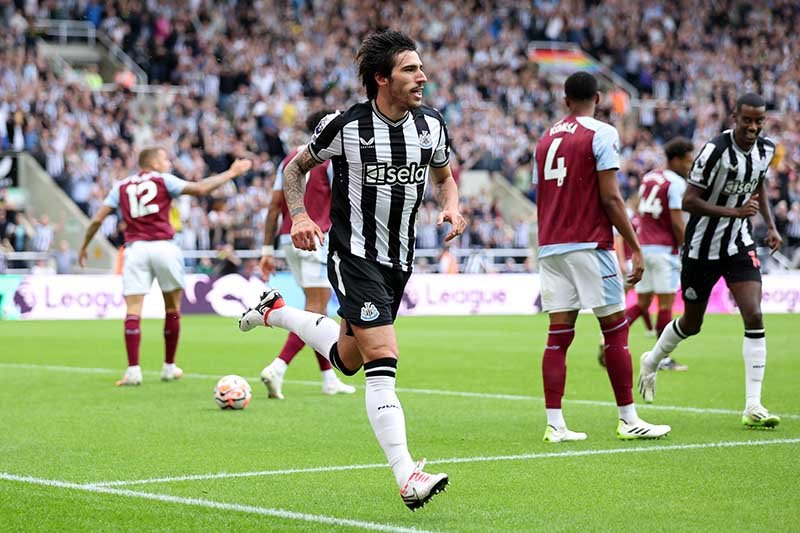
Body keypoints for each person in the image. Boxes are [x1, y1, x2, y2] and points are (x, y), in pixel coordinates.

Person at [239, 30, 466, 510]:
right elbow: (293, 170)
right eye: (410, 69)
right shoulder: (344, 126)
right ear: (381, 78)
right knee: (382, 359)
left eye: (421, 67)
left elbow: (445, 176)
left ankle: (275, 311)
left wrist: (452, 206)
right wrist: (299, 216)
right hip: (353, 256)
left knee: (348, 358)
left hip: (398, 264)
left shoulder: (431, 125)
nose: (422, 76)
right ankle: (407, 476)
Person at [533, 71, 671, 444]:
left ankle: (555, 423)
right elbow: (610, 197)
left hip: (551, 246)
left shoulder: (545, 139)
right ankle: (628, 418)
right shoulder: (602, 133)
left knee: (558, 337)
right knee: (614, 329)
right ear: (598, 97)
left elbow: (542, 195)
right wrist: (634, 245)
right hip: (589, 245)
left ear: (565, 100)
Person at [638, 93, 782, 428]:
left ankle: (753, 405)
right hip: (701, 248)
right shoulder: (713, 151)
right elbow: (689, 201)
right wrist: (735, 211)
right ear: (735, 117)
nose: (753, 126)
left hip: (738, 245)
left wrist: (771, 226)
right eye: (747, 120)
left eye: (759, 121)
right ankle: (653, 359)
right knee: (692, 324)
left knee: (754, 313)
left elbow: (757, 184)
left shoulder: (766, 150)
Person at [79, 147, 252, 386]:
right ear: (152, 163)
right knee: (172, 308)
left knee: (133, 309)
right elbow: (201, 188)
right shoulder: (163, 180)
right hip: (164, 247)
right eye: (164, 159)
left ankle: (133, 371)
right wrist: (231, 172)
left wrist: (84, 246)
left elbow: (98, 218)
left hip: (135, 249)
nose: (168, 162)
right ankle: (169, 366)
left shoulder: (121, 186)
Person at [258, 110, 356, 399]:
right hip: (315, 237)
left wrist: (267, 249)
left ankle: (328, 379)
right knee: (315, 309)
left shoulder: (289, 159)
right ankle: (277, 367)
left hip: (290, 239)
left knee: (318, 310)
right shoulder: (329, 158)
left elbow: (274, 207)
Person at [627, 137, 695, 371]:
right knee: (666, 304)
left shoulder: (649, 177)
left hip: (644, 247)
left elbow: (640, 209)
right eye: (687, 162)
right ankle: (662, 358)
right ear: (675, 160)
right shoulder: (675, 182)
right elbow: (677, 223)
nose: (689, 166)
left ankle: (611, 338)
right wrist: (687, 248)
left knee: (643, 302)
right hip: (664, 249)